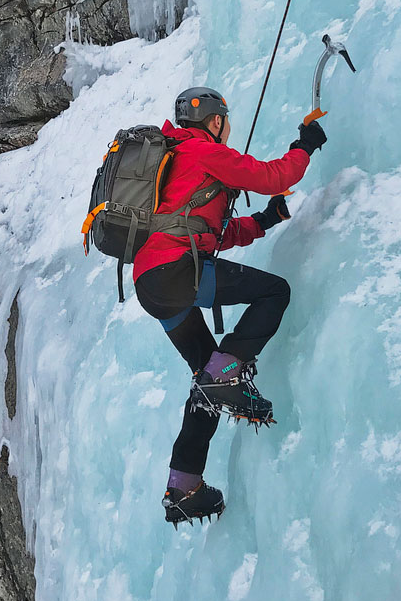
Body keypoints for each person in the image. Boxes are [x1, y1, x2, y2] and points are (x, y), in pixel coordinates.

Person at [133, 87, 326, 527]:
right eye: (225, 119)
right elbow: (273, 176)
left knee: (205, 382)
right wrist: (305, 146)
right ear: (215, 120)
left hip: (153, 282)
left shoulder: (177, 162)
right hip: (178, 270)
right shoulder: (201, 151)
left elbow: (210, 231)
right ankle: (227, 370)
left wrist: (262, 222)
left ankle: (184, 487)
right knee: (274, 292)